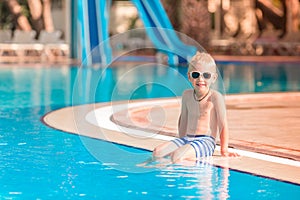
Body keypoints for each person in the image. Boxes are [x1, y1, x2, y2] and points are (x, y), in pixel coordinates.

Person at [153, 52, 239, 163]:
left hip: (205, 141)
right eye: (195, 75)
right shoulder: (186, 95)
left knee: (177, 156)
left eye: (206, 75)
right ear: (189, 76)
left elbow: (223, 124)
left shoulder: (215, 97)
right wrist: (180, 142)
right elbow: (183, 120)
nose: (200, 79)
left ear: (213, 78)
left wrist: (224, 149)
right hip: (187, 138)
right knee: (157, 152)